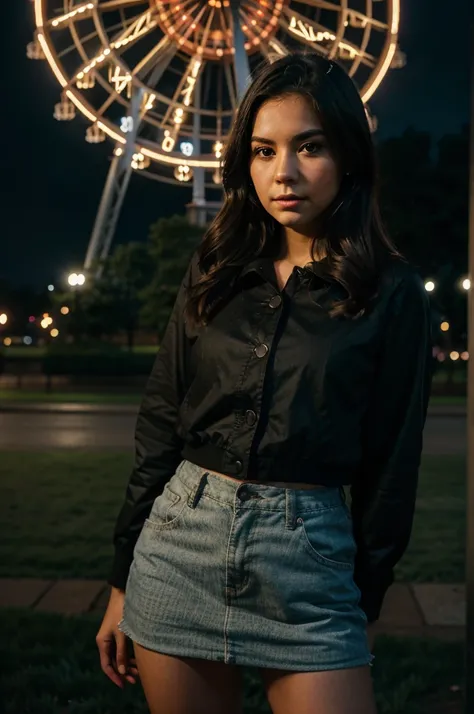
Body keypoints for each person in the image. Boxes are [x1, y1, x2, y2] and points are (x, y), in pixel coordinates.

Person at [96, 51, 433, 714]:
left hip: (310, 569)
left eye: (309, 147)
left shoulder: (391, 294)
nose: (283, 173)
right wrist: (121, 581)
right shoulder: (216, 269)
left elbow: (393, 465)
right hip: (178, 544)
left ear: (348, 156)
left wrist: (364, 595)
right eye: (262, 149)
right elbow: (162, 425)